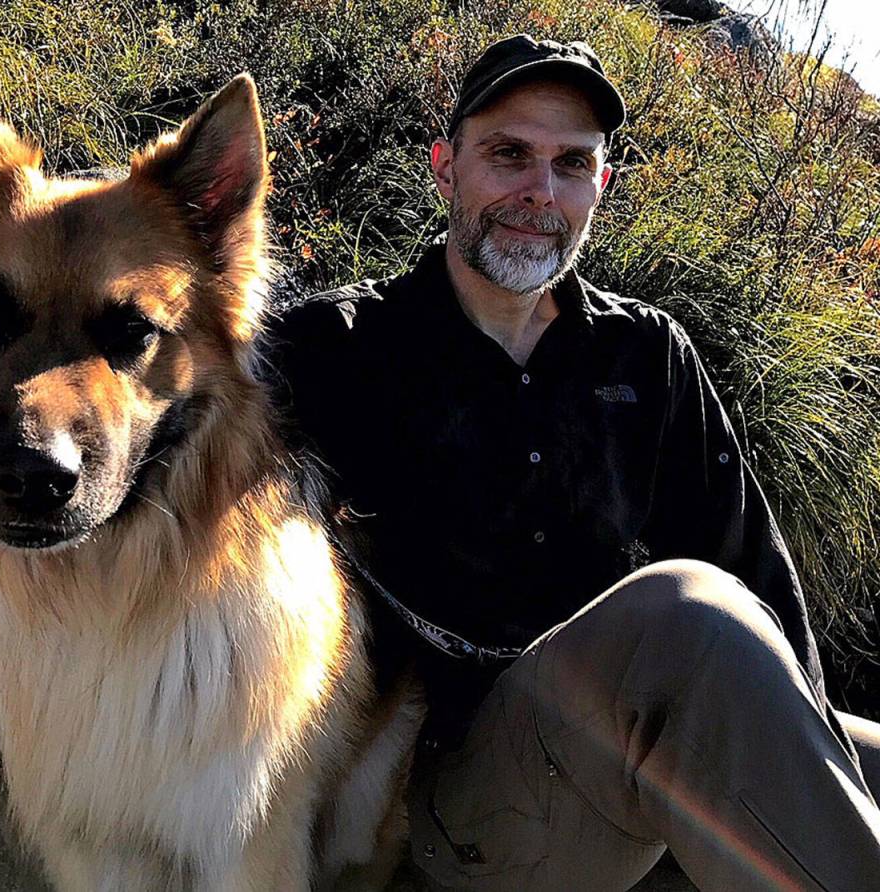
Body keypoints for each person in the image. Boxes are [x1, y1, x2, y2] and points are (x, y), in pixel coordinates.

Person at [268, 35, 880, 890]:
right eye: (509, 154)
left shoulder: (648, 357)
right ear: (446, 168)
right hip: (436, 810)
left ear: (603, 185)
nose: (538, 192)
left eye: (571, 164)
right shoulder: (335, 351)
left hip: (621, 769)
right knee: (688, 619)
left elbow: (760, 582)